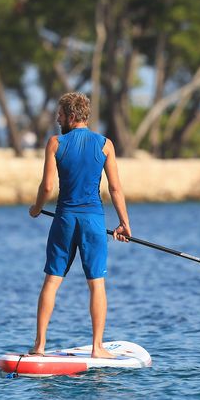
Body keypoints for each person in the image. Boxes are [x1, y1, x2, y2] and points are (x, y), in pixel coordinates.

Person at [28, 92, 131, 358]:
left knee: (52, 281)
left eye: (60, 115)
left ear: (72, 116)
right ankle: (98, 348)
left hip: (64, 220)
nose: (57, 119)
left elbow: (47, 187)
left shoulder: (55, 143)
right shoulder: (105, 145)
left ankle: (39, 347)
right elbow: (115, 188)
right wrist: (123, 223)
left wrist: (36, 209)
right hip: (93, 221)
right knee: (96, 283)